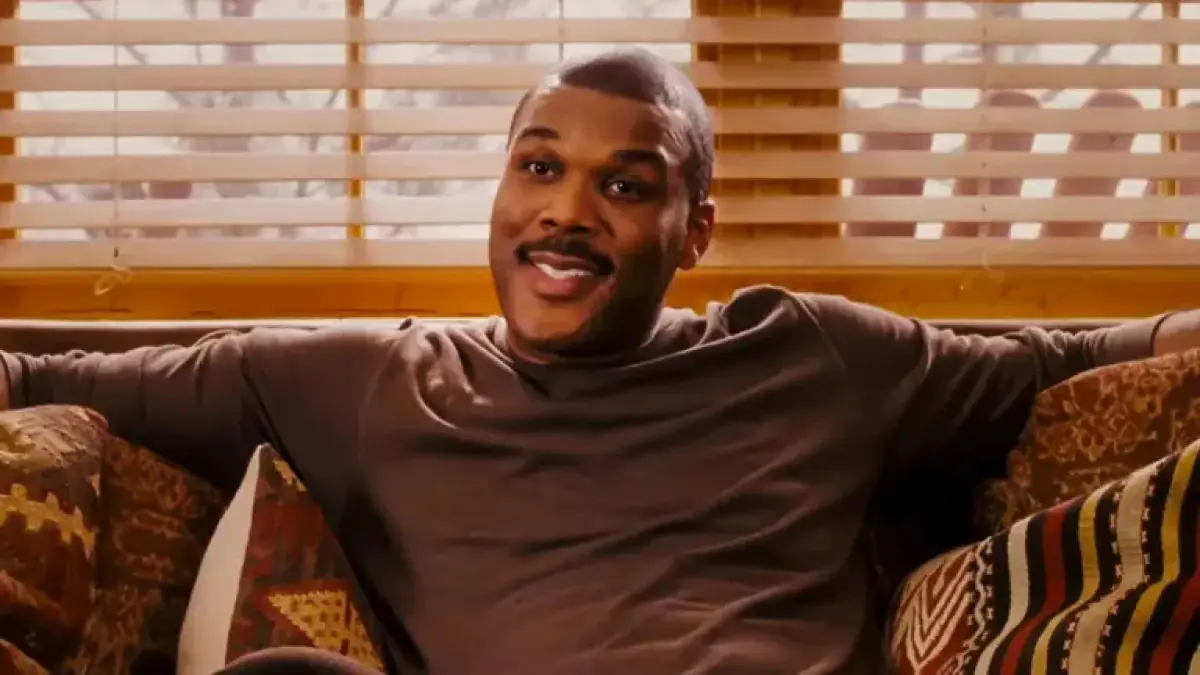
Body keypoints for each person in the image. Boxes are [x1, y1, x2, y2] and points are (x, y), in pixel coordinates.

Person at [4, 50, 1200, 675]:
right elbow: (49, 382)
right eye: (539, 168)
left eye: (625, 185)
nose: (567, 212)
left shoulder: (813, 356)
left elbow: (1074, 358)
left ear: (695, 230)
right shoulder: (366, 382)